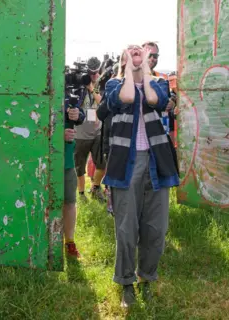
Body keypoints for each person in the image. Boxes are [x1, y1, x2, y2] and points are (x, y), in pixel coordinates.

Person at [104, 45, 179, 307]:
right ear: (124, 59)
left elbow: (154, 100)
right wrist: (128, 70)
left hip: (157, 163)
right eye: (131, 51)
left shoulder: (158, 83)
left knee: (156, 229)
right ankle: (126, 283)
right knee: (126, 230)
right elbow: (123, 98)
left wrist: (145, 68)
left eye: (141, 52)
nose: (137, 53)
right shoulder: (114, 85)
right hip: (126, 164)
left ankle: (146, 278)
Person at [74, 57, 106, 201]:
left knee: (101, 163)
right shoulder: (79, 85)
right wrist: (83, 85)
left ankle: (95, 187)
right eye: (91, 73)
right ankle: (81, 194)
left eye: (96, 72)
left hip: (97, 131)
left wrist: (91, 87)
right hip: (80, 132)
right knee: (79, 166)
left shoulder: (101, 83)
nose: (93, 75)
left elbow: (101, 101)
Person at [141, 42, 178, 143]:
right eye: (148, 55)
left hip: (159, 134)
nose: (152, 58)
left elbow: (167, 99)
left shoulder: (161, 78)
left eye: (155, 56)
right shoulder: (131, 78)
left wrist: (173, 100)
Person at [63, 103, 85, 258]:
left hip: (66, 161)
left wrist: (77, 114)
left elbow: (81, 115)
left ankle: (69, 242)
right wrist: (58, 134)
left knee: (70, 202)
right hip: (40, 159)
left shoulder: (66, 89)